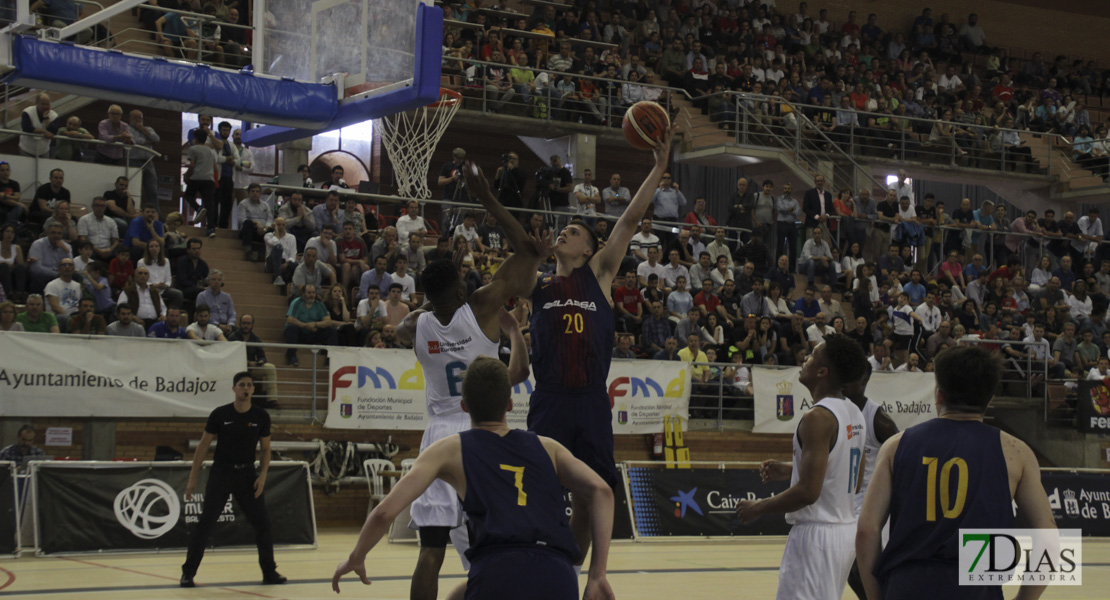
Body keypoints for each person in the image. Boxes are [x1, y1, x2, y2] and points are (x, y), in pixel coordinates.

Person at [392, 156, 554, 600]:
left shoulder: (414, 325)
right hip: (480, 433)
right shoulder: (481, 307)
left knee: (430, 552)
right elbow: (525, 250)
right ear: (461, 291)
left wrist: (435, 300)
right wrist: (485, 197)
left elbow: (408, 323)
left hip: (436, 438)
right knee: (491, 549)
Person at [330, 357, 614, 600]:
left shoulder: (449, 449)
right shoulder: (548, 446)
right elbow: (601, 491)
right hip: (557, 575)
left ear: (464, 406)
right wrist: (597, 573)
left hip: (497, 572)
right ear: (511, 405)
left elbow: (383, 513)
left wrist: (357, 556)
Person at [525, 126, 675, 571]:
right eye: (563, 228)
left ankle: (571, 572)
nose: (563, 232)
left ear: (589, 248)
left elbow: (628, 220)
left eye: (572, 230)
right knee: (539, 490)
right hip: (549, 399)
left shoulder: (600, 274)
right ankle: (536, 565)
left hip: (590, 400)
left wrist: (658, 168)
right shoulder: (537, 284)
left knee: (591, 494)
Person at [857, 346, 1056, 600]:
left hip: (908, 585)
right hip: (978, 587)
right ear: (990, 399)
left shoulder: (896, 446)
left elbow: (866, 531)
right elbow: (1048, 539)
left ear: (938, 395)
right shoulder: (1016, 452)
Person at [736, 334, 868, 600]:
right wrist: (791, 469)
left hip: (817, 537)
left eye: (812, 355)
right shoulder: (853, 411)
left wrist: (758, 507)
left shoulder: (817, 417)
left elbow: (808, 492)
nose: (805, 359)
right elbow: (852, 479)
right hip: (843, 533)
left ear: (822, 371)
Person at [180, 372, 286, 588]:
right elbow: (202, 446)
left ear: (253, 390)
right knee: (205, 523)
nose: (245, 388)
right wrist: (192, 478)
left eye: (249, 385)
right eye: (241, 385)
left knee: (263, 523)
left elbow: (265, 450)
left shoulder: (261, 416)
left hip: (247, 475)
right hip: (222, 473)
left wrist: (263, 476)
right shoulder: (220, 414)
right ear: (234, 388)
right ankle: (188, 573)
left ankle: (269, 572)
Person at [843, 362, 899, 598]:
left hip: (871, 504)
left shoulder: (877, 418)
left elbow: (902, 453)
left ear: (864, 381)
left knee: (861, 566)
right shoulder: (837, 412)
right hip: (845, 504)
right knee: (848, 569)